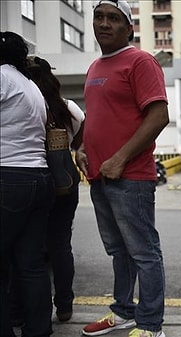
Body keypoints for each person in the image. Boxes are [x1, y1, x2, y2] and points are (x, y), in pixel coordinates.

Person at [76, 1, 170, 336]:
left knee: (144, 252)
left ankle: (150, 324)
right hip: (100, 175)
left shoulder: (140, 61)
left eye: (113, 19)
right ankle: (123, 312)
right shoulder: (94, 67)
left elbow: (158, 116)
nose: (104, 24)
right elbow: (99, 117)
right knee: (119, 250)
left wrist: (119, 158)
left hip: (131, 176)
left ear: (128, 27)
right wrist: (85, 147)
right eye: (98, 17)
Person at [1, 31, 55, 337]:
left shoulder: (2, 78)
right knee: (31, 266)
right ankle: (38, 331)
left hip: (7, 176)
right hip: (38, 177)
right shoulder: (31, 86)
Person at [27, 55, 85, 323]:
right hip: (65, 179)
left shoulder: (23, 103)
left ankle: (22, 312)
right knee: (60, 244)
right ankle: (64, 306)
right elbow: (79, 143)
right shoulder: (69, 108)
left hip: (31, 176)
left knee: (28, 246)